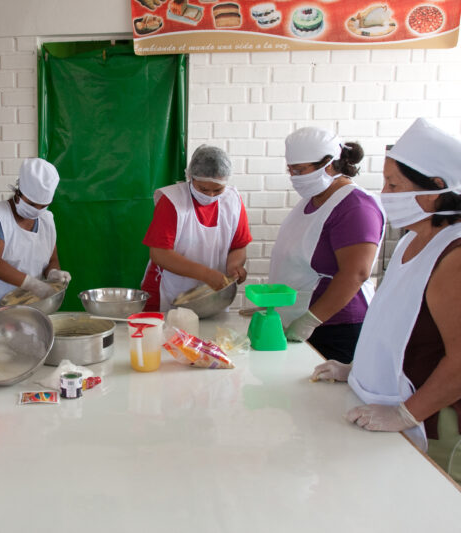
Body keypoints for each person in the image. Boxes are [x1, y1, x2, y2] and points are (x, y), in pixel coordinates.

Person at [311, 118, 461, 481]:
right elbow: (394, 321)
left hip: (433, 421)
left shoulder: (453, 255)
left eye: (394, 185)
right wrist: (357, 369)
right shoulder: (412, 239)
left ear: (436, 189)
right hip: (384, 401)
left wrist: (407, 414)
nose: (385, 193)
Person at [268, 127, 384, 363]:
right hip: (301, 321)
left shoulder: (355, 206)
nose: (294, 177)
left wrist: (310, 321)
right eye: (291, 170)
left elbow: (356, 273)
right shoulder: (311, 202)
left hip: (336, 327)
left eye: (300, 170)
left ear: (329, 164)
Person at [141, 144, 252, 312]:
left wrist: (234, 265)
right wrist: (206, 275)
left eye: (217, 189)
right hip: (168, 292)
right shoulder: (173, 201)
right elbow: (159, 253)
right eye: (203, 189)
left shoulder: (233, 201)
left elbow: (238, 246)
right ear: (190, 177)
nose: (210, 195)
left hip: (212, 297)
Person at [0, 158, 70, 311]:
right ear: (18, 193)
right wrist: (33, 284)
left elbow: (51, 259)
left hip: (28, 307)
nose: (36, 210)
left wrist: (53, 273)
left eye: (43, 206)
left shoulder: (47, 220)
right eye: (31, 204)